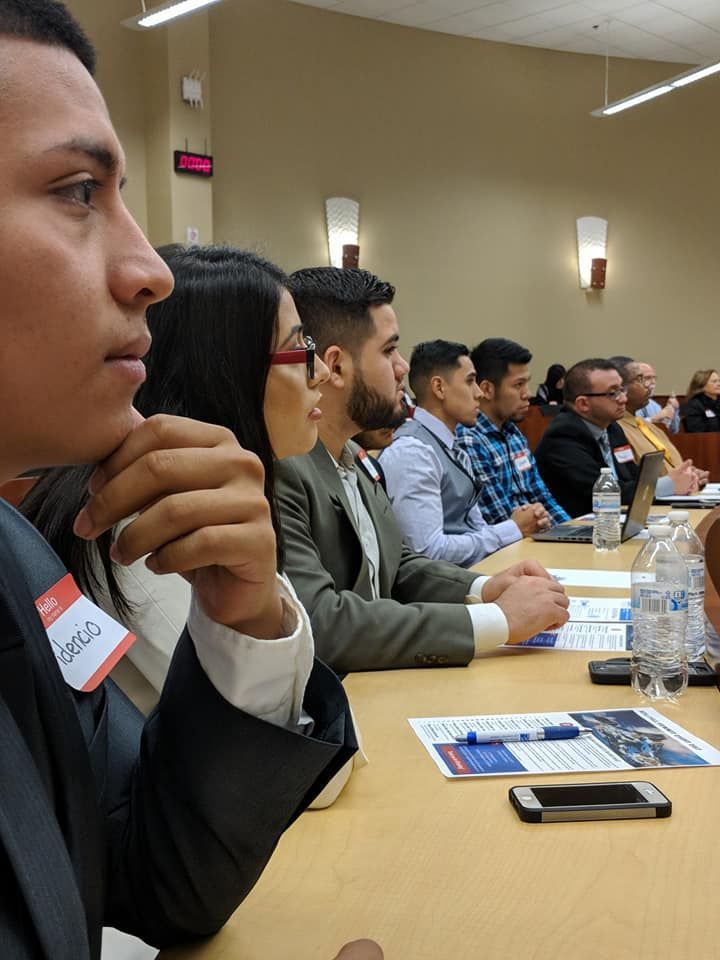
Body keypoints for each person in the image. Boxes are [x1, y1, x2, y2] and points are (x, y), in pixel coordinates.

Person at [0, 3, 363, 956]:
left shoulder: (18, 556)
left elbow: (153, 879)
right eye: (78, 191)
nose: (149, 269)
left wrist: (243, 624)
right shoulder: (99, 529)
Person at [275, 267, 569, 675]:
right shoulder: (284, 467)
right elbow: (319, 622)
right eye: (389, 350)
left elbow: (397, 564)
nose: (402, 368)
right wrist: (497, 620)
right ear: (336, 367)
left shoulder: (353, 455)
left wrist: (484, 587)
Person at [379, 340, 525, 566]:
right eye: (470, 381)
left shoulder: (451, 445)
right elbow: (427, 551)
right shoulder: (413, 452)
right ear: (439, 388)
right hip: (441, 584)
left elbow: (476, 527)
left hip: (469, 575)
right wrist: (512, 529)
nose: (479, 393)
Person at [535, 359, 697, 517]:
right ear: (583, 404)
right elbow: (605, 493)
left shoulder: (612, 428)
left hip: (617, 520)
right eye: (613, 393)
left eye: (622, 390)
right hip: (582, 526)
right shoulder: (563, 437)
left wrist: (682, 478)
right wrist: (669, 484)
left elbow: (632, 478)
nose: (624, 399)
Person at [456, 338, 569, 529]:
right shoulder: (470, 440)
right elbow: (500, 518)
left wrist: (571, 531)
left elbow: (542, 496)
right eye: (518, 385)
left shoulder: (513, 433)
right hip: (512, 542)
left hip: (538, 534)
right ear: (487, 389)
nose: (528, 394)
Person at [612, 357, 709, 487]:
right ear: (619, 388)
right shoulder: (615, 430)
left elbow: (672, 467)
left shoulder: (652, 428)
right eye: (640, 380)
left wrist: (691, 474)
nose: (648, 385)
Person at [635, 361, 680, 433]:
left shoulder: (654, 405)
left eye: (654, 378)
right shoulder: (630, 403)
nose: (653, 382)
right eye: (648, 378)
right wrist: (653, 419)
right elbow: (632, 428)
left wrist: (674, 411)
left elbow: (673, 431)